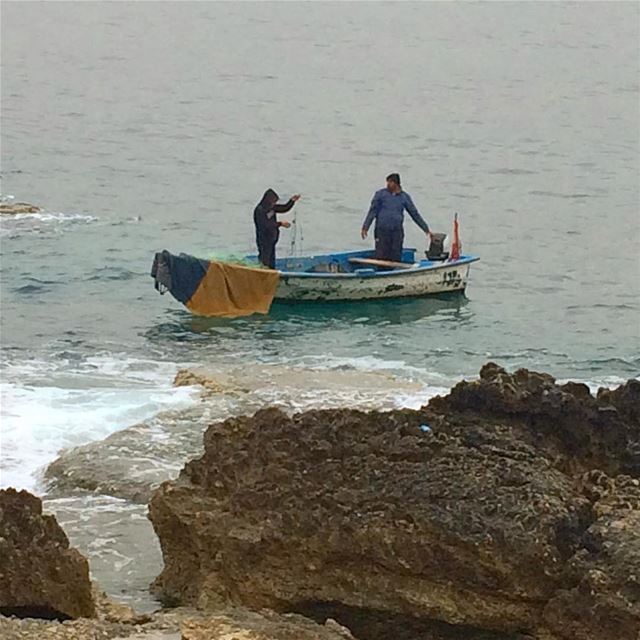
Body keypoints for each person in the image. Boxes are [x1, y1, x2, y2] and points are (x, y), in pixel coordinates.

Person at [361, 173, 431, 262]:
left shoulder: (404, 197)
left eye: (390, 182)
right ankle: (382, 273)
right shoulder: (380, 195)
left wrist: (426, 229)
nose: (387, 184)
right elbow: (372, 212)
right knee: (381, 255)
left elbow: (414, 214)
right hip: (382, 231)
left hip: (397, 232)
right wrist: (365, 227)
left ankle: (394, 272)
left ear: (396, 183)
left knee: (396, 255)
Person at [253, 189, 301, 269]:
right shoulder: (259, 211)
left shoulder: (272, 208)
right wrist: (280, 224)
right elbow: (265, 225)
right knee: (265, 261)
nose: (274, 204)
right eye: (273, 202)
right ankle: (263, 275)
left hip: (271, 239)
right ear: (268, 201)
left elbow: (284, 208)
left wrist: (292, 201)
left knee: (271, 261)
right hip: (263, 240)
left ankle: (272, 272)